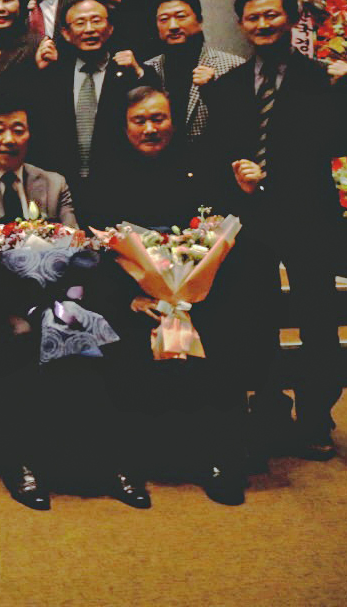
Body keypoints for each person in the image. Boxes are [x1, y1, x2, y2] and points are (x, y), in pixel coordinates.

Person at [0, 94, 147, 510]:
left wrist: (60, 253)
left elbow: (75, 244)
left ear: (30, 134)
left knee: (99, 335)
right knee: (21, 335)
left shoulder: (52, 182)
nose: (9, 139)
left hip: (52, 293)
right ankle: (22, 463)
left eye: (18, 129)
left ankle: (111, 463)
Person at [201, 0, 347, 462]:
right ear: (241, 25)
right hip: (251, 219)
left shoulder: (323, 78)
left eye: (271, 14)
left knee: (318, 321)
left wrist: (343, 91)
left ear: (290, 17)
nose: (263, 24)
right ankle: (269, 408)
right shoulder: (228, 85)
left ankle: (316, 417)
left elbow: (344, 142)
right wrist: (237, 178)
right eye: (253, 17)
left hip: (308, 216)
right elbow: (216, 151)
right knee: (256, 319)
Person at [84, 87, 248, 504]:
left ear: (174, 123)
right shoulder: (103, 178)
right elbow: (96, 254)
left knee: (221, 335)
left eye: (158, 118)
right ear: (124, 127)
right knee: (119, 340)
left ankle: (217, 458)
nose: (150, 129)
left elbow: (216, 241)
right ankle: (125, 464)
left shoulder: (201, 170)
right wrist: (131, 300)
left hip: (195, 298)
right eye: (139, 121)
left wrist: (187, 296)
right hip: (131, 300)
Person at [30, 0, 142, 224]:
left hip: (119, 190)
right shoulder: (53, 73)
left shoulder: (129, 73)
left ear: (110, 28)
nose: (89, 29)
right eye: (80, 23)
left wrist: (140, 72)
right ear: (66, 33)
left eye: (96, 21)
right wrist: (38, 73)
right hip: (63, 192)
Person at [141, 0, 244, 139]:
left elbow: (241, 123)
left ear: (199, 20)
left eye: (181, 17)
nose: (173, 26)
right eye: (164, 19)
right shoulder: (148, 69)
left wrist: (213, 90)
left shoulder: (232, 66)